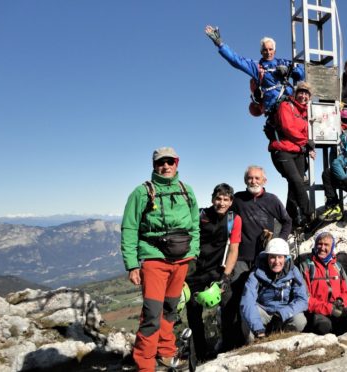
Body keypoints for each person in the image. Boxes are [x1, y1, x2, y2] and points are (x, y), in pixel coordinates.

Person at [120, 147, 200, 371]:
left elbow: (194, 223)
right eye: (160, 162)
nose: (165, 166)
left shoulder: (186, 190)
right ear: (154, 166)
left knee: (171, 310)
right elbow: (129, 228)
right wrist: (132, 264)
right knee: (152, 314)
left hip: (181, 259)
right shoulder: (142, 192)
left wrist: (193, 251)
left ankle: (165, 353)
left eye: (170, 162)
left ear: (177, 163)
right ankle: (145, 364)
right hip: (154, 259)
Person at [224, 165, 292, 349]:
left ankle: (260, 334)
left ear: (264, 181)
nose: (253, 181)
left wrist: (278, 243)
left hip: (263, 259)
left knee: (259, 298)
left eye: (257, 178)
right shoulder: (237, 199)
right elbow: (227, 217)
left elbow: (287, 221)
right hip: (240, 258)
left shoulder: (272, 200)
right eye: (250, 178)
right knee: (236, 297)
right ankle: (234, 341)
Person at [184, 183, 241, 361]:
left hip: (218, 271)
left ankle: (228, 348)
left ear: (231, 201)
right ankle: (200, 354)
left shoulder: (234, 219)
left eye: (225, 199)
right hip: (195, 273)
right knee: (193, 315)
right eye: (218, 198)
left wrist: (226, 277)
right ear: (212, 199)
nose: (221, 203)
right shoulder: (201, 216)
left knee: (228, 308)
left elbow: (233, 249)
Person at [205, 26, 304, 116]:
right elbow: (236, 60)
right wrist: (220, 44)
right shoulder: (256, 67)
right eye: (265, 50)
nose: (268, 52)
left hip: (291, 105)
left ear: (275, 51)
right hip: (274, 108)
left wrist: (290, 71)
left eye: (270, 49)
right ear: (261, 52)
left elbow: (301, 74)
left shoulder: (284, 63)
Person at [240, 238, 308, 341]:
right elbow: (247, 300)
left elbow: (302, 300)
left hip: (285, 311)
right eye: (272, 257)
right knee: (248, 321)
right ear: (267, 257)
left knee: (299, 321)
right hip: (264, 310)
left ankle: (284, 341)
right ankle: (255, 345)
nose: (276, 262)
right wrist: (258, 328)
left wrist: (281, 315)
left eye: (280, 257)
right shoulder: (256, 273)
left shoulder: (294, 272)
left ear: (285, 258)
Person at [269, 81, 316, 228]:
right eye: (301, 92)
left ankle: (290, 221)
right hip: (282, 150)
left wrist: (308, 148)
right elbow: (287, 128)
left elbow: (312, 131)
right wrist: (306, 142)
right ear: (295, 93)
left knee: (294, 186)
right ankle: (310, 215)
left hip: (299, 152)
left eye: (306, 94)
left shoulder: (308, 113)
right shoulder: (286, 106)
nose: (303, 96)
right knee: (297, 181)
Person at [299, 232, 347, 335]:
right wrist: (329, 308)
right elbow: (305, 299)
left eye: (326, 245)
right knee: (323, 326)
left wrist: (341, 301)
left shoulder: (337, 266)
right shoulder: (306, 267)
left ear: (332, 247)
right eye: (319, 244)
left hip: (339, 308)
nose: (322, 247)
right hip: (318, 311)